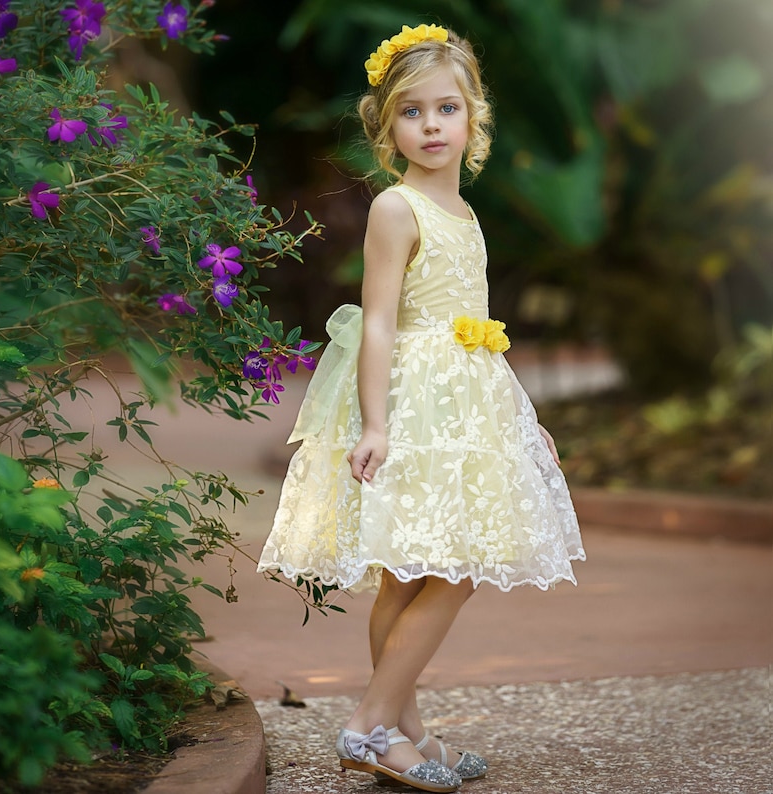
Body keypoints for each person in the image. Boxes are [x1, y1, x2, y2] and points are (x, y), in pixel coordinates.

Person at [257, 22, 586, 793]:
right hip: (416, 400)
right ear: (386, 124)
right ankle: (368, 727)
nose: (430, 126)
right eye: (411, 112)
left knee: (413, 573)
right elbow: (377, 319)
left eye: (446, 109)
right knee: (443, 565)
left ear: (474, 118)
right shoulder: (396, 210)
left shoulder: (466, 215)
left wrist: (523, 412)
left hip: (472, 398)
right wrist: (375, 423)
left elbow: (478, 328)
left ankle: (403, 730)